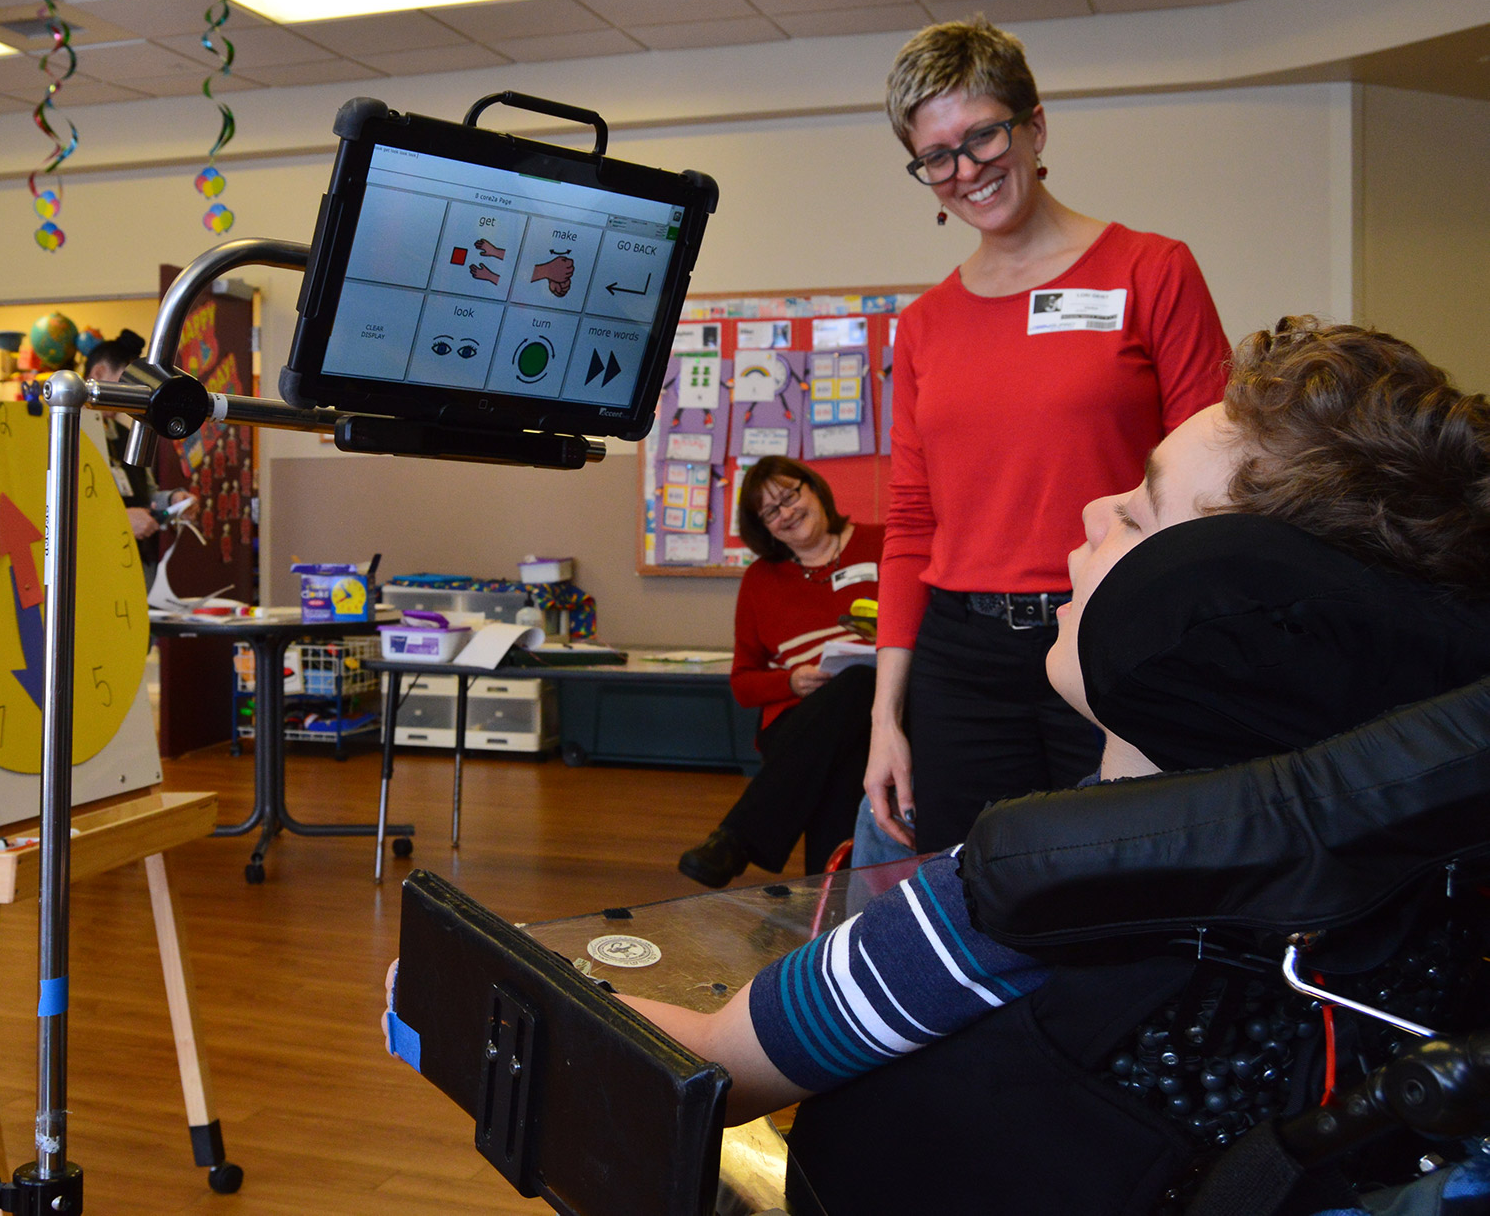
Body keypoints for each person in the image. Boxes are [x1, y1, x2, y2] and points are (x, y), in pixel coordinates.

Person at [612, 321, 1490, 1212]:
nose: (1087, 511)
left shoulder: (1028, 886)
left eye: (1138, 512)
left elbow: (716, 1065)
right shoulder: (1422, 885)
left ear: (1224, 610)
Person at [864, 17, 1232, 855]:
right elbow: (911, 521)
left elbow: (1209, 487)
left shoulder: (1150, 270)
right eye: (937, 156)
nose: (966, 171)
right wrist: (886, 717)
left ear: (1032, 126)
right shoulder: (922, 326)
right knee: (970, 894)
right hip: (959, 659)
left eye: (982, 135)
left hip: (1109, 631)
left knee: (1113, 880)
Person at [677, 458, 881, 887]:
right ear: (763, 526)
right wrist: (790, 680)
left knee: (860, 687)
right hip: (798, 717)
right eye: (770, 511)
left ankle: (737, 839)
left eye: (790, 496)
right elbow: (743, 682)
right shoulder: (760, 579)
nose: (786, 513)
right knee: (847, 731)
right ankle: (838, 905)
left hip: (891, 701)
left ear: (814, 490)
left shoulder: (882, 543)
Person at [82, 331, 164, 588]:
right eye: (123, 385)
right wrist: (119, 518)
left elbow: (148, 492)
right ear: (97, 374)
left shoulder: (128, 436)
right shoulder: (65, 434)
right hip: (91, 564)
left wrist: (173, 500)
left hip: (135, 560)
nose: (127, 399)